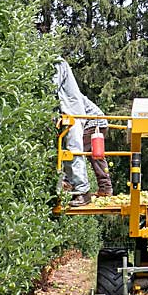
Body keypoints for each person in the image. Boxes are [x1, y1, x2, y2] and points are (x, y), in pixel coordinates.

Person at [53, 58, 92, 207]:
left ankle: (83, 192)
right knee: (66, 154)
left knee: (73, 151)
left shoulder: (57, 62)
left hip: (73, 114)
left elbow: (51, 86)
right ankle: (71, 188)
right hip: (65, 116)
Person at [82, 96, 113, 197]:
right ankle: (105, 188)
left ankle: (70, 185)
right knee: (96, 156)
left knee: (74, 152)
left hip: (93, 123)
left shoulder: (66, 96)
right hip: (99, 121)